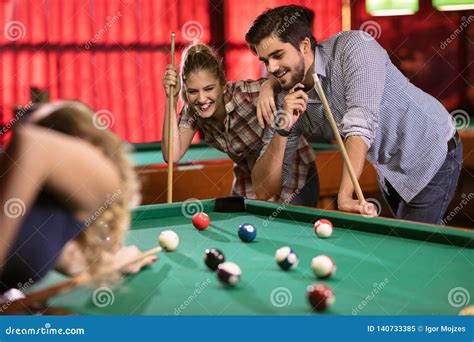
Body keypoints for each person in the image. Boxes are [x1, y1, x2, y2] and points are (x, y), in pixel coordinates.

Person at [245, 5, 462, 224]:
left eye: (277, 55)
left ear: (304, 46)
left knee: (414, 246)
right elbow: (263, 190)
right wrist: (283, 129)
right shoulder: (285, 97)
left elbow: (360, 123)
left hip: (430, 147)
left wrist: (344, 195)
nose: (271, 67)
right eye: (265, 60)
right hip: (388, 167)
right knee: (404, 238)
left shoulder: (356, 47)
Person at [0, 101, 155, 293]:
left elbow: (64, 257)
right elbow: (32, 142)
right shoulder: (104, 177)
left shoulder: (42, 212)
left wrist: (112, 261)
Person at [162, 43, 318, 206]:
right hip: (249, 178)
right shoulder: (193, 113)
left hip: (295, 172)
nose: (201, 99)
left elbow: (300, 75)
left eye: (209, 89)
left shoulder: (247, 95)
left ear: (222, 86)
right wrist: (171, 99)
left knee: (285, 229)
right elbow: (171, 155)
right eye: (193, 91)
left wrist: (270, 83)